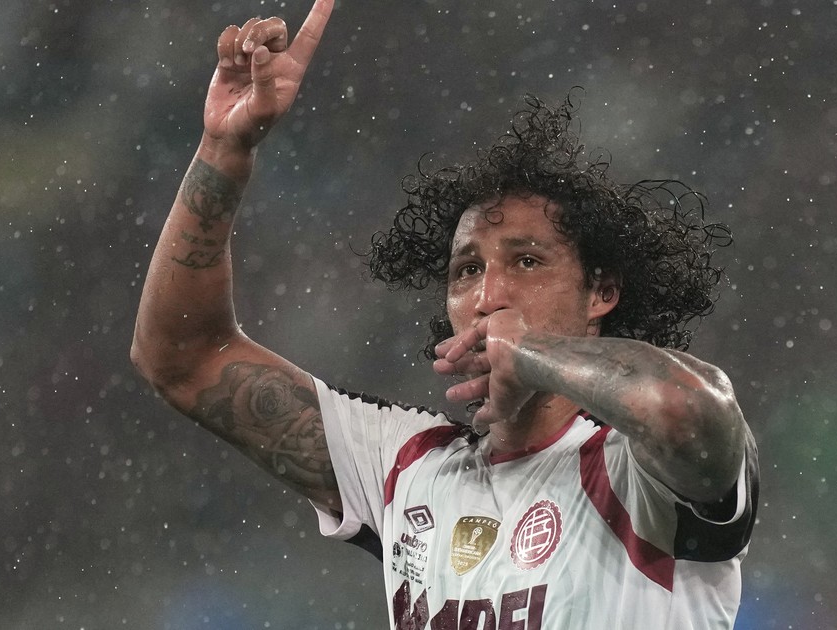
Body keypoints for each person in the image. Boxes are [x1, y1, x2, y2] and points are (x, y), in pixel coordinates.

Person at [131, 1, 759, 628]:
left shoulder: (638, 474)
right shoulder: (406, 463)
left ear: (603, 292)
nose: (488, 295)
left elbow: (684, 410)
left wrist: (530, 355)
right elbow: (181, 358)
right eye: (467, 270)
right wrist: (225, 147)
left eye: (528, 262)